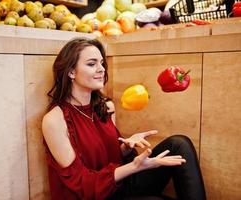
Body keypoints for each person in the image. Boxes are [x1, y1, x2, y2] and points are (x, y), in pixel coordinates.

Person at [42, 37, 206, 200]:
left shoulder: (106, 107)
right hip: (90, 195)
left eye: (101, 63)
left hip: (118, 185)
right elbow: (81, 184)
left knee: (179, 143)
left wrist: (125, 148)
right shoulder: (55, 120)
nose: (102, 69)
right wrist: (134, 166)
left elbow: (109, 157)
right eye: (92, 64)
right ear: (71, 71)